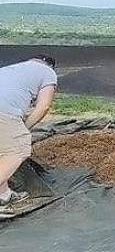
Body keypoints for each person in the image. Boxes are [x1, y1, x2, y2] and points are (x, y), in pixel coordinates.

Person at [0, 55, 57, 210]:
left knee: (3, 152)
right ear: (49, 65)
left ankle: (4, 195)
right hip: (4, 111)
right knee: (17, 148)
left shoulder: (10, 69)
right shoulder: (47, 72)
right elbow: (43, 107)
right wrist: (25, 126)